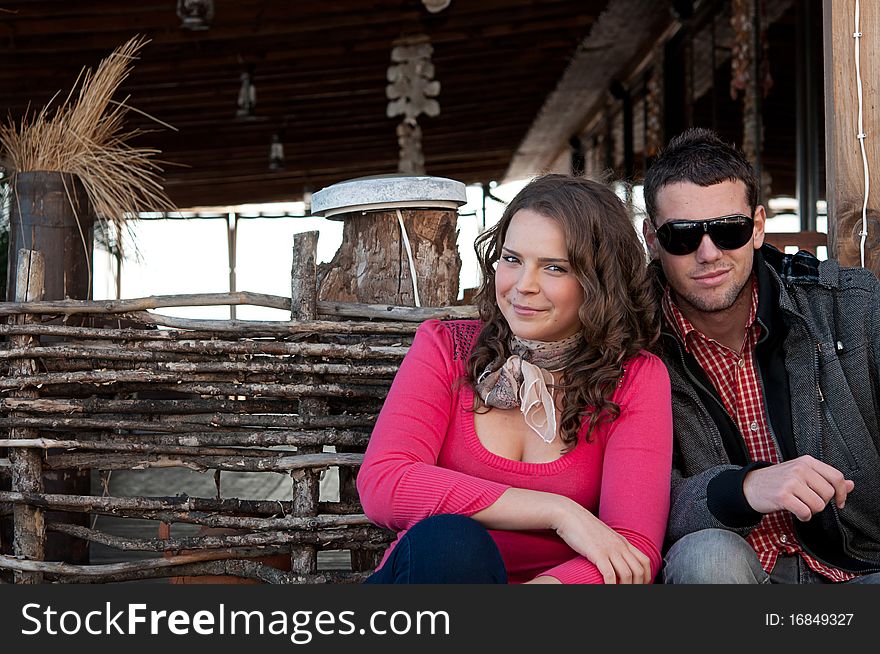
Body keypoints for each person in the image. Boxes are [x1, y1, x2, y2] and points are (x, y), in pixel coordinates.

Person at [356, 174, 672, 584]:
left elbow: (633, 550)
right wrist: (558, 512)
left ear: (600, 281)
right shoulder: (446, 349)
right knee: (453, 544)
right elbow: (385, 482)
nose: (524, 286)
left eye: (555, 267)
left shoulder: (634, 377)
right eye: (512, 259)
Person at [642, 127, 880, 584]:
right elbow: (637, 505)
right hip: (737, 572)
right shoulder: (632, 343)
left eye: (728, 230)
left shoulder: (851, 308)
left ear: (756, 228)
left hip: (859, 571)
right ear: (653, 240)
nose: (708, 253)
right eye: (682, 237)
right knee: (707, 556)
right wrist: (743, 488)